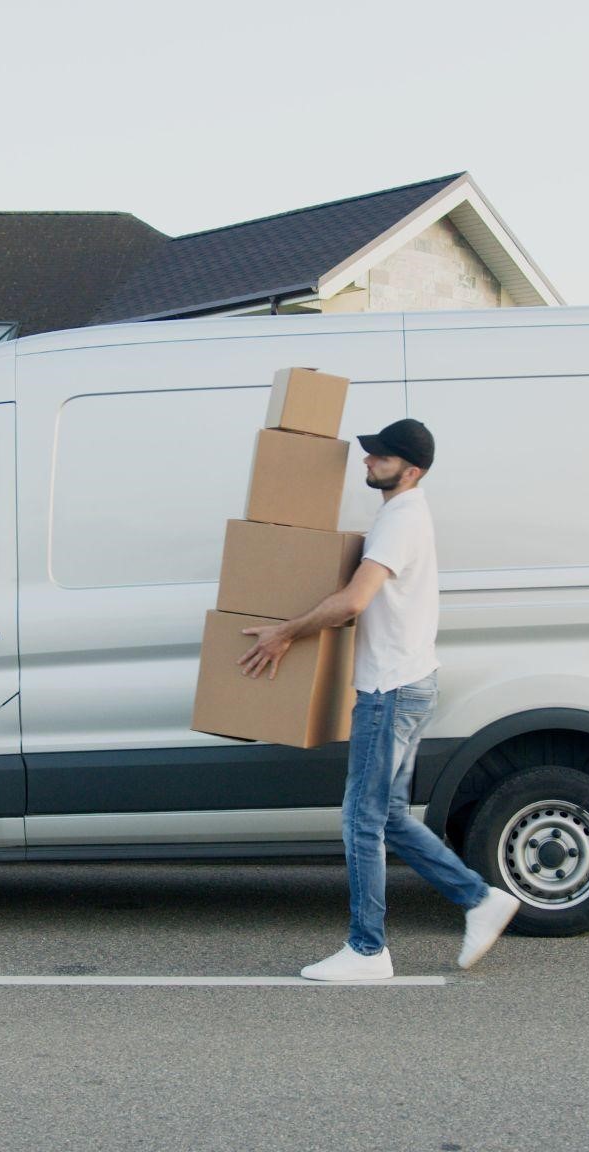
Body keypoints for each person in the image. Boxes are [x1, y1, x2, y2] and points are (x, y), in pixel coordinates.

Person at [236, 418, 519, 981]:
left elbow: (352, 602)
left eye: (380, 457)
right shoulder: (403, 515)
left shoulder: (401, 518)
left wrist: (284, 632)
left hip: (390, 691)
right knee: (386, 813)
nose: (367, 462)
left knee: (361, 819)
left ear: (410, 470)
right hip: (410, 682)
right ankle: (479, 898)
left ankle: (368, 950)